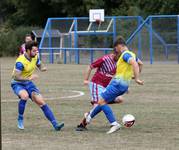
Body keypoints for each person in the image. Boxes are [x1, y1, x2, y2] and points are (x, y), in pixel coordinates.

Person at [83, 36, 144, 134]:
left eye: (115, 48)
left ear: (119, 46)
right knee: (102, 100)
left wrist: (136, 78)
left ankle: (114, 124)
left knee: (101, 101)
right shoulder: (133, 54)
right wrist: (132, 76)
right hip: (123, 85)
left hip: (117, 84)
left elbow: (135, 64)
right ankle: (89, 117)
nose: (115, 50)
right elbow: (140, 64)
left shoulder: (125, 54)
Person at [11, 41, 64, 131]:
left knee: (41, 102)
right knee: (24, 96)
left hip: (28, 83)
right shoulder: (20, 62)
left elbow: (39, 64)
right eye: (34, 51)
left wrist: (42, 68)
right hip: (17, 83)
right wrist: (29, 78)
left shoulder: (35, 57)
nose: (36, 53)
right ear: (28, 50)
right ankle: (20, 118)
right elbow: (16, 77)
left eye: (37, 51)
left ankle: (55, 125)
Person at [76, 49, 124, 131]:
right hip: (96, 85)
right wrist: (85, 79)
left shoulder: (117, 63)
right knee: (98, 106)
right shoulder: (105, 59)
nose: (120, 58)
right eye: (119, 56)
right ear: (114, 54)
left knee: (119, 99)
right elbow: (90, 66)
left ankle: (88, 114)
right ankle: (82, 125)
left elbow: (118, 76)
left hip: (105, 87)